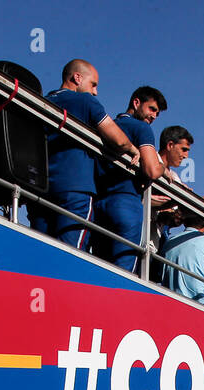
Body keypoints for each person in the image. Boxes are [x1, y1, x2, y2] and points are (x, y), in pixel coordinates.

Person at [30, 59, 138, 249]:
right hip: (75, 189)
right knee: (71, 256)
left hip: (40, 188)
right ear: (77, 78)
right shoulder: (85, 101)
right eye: (93, 84)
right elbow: (119, 140)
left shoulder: (42, 100)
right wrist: (132, 148)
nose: (95, 91)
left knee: (40, 253)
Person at [94, 87, 166, 272]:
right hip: (126, 202)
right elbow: (151, 170)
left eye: (157, 113)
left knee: (97, 267)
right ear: (136, 103)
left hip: (99, 203)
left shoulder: (108, 126)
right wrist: (163, 166)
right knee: (123, 274)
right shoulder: (141, 128)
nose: (154, 116)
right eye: (151, 109)